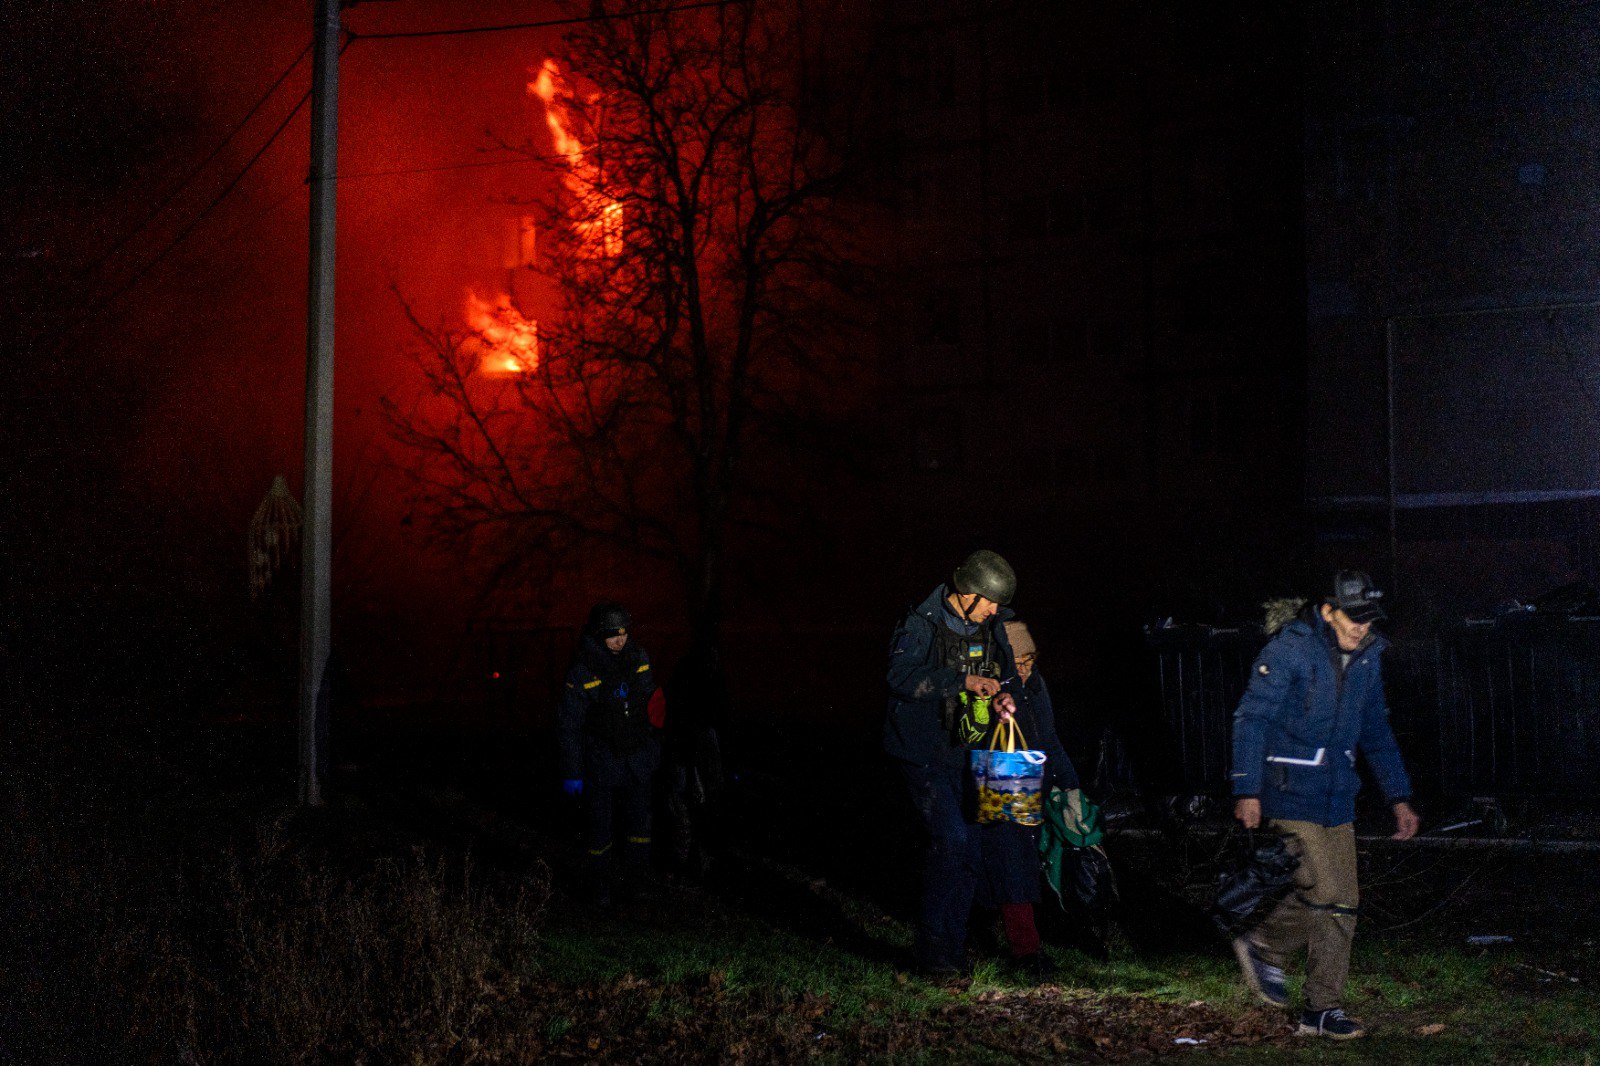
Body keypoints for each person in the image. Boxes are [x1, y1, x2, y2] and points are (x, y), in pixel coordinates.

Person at [1229, 570, 1420, 1040]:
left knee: (1342, 902)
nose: (1362, 627)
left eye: (1369, 619)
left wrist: (1399, 797)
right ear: (1329, 611)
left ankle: (1316, 1005)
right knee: (1326, 891)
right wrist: (1246, 788)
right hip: (1287, 790)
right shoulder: (1290, 649)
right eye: (1354, 618)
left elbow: (1376, 731)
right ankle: (1271, 954)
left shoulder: (1368, 657)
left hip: (1337, 796)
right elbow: (1251, 718)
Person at [884, 549, 1022, 977]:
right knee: (952, 841)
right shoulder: (921, 623)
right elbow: (899, 676)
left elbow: (1004, 673)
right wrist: (961, 681)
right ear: (966, 592)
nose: (994, 611)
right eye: (989, 601)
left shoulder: (990, 627)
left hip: (970, 753)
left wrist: (1000, 696)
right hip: (924, 753)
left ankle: (953, 948)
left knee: (972, 851)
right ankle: (931, 948)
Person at [974, 620, 1078, 979]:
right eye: (1017, 662)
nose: (1025, 668)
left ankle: (1019, 935)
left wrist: (1070, 784)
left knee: (1029, 861)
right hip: (1007, 777)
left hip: (1037, 779)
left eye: (1030, 660)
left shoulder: (1036, 684)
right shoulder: (995, 686)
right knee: (1011, 860)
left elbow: (1049, 736)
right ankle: (1026, 949)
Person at [558, 601, 662, 905]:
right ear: (598, 634)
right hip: (602, 760)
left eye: (624, 633)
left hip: (637, 759)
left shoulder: (638, 657)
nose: (620, 640)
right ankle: (599, 886)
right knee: (600, 828)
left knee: (640, 825)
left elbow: (652, 704)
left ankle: (637, 883)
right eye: (613, 635)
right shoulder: (583, 670)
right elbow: (569, 725)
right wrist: (572, 772)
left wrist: (654, 747)